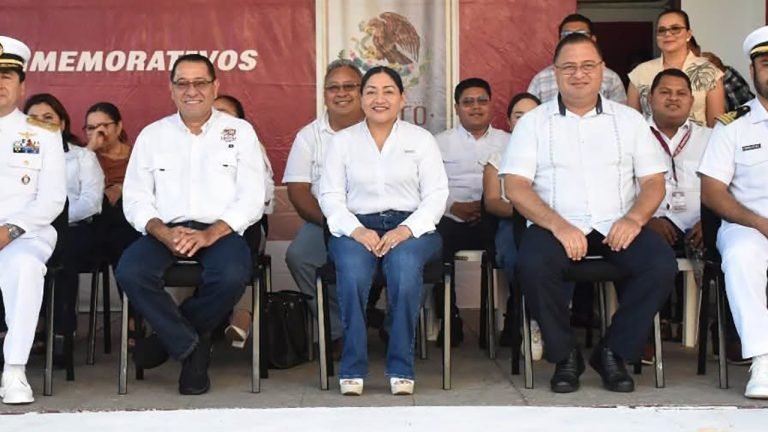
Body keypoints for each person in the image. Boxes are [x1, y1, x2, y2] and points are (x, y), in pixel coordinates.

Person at [501, 33, 676, 394]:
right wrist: (558, 224)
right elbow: (516, 185)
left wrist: (634, 219)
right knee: (531, 264)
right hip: (555, 227)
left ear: (602, 70)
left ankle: (613, 352)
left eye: (587, 66)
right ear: (555, 72)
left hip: (617, 225)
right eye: (569, 67)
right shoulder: (534, 123)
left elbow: (654, 183)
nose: (578, 74)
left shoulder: (629, 121)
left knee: (660, 265)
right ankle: (565, 356)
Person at [115, 54, 267, 395]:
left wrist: (210, 233)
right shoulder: (153, 135)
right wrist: (162, 231)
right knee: (130, 271)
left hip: (220, 230)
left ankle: (170, 339)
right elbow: (136, 197)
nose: (191, 91)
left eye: (200, 82)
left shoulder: (241, 133)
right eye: (182, 83)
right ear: (171, 90)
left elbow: (252, 197)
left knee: (232, 276)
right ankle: (189, 344)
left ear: (215, 87)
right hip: (164, 229)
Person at [319, 66, 448, 396]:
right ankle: (353, 365)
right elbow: (331, 196)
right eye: (371, 91)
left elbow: (436, 196)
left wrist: (406, 229)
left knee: (404, 269)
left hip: (411, 227)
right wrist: (356, 230)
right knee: (351, 274)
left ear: (402, 99)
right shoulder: (342, 142)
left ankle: (401, 365)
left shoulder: (420, 140)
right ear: (361, 99)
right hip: (356, 227)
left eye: (388, 91)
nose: (380, 98)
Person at [698, 25, 768, 399]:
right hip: (749, 225)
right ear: (753, 70)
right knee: (742, 255)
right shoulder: (733, 125)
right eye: (766, 62)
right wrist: (759, 222)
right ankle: (764, 360)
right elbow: (711, 191)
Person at [0, 35, 66, 404]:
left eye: (7, 75)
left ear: (22, 85)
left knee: (24, 268)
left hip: (23, 235)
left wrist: (8, 231)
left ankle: (14, 371)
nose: (0, 83)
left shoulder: (41, 133)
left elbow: (53, 198)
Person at [283, 59, 365, 355]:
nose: (341, 93)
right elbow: (298, 190)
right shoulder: (309, 136)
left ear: (362, 91)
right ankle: (338, 330)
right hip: (326, 221)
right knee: (300, 257)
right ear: (324, 94)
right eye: (333, 88)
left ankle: (394, 326)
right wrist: (334, 223)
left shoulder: (382, 127)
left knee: (415, 257)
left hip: (381, 221)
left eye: (349, 86)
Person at [23, 94, 104, 340]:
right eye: (33, 119)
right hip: (25, 228)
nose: (41, 123)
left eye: (48, 118)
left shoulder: (82, 157)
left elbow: (91, 202)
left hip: (72, 228)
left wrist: (53, 218)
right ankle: (14, 329)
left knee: (62, 254)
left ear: (62, 123)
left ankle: (59, 333)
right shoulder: (16, 157)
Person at [434, 77, 509, 346]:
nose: (475, 107)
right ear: (456, 108)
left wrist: (488, 205)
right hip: (451, 218)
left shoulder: (509, 141)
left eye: (481, 101)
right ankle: (449, 319)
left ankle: (509, 322)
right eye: (467, 102)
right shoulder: (438, 143)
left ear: (491, 105)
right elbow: (427, 187)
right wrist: (453, 206)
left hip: (493, 219)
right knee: (434, 247)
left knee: (514, 247)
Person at [213, 94, 275, 348]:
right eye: (214, 112)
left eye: (226, 113)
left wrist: (231, 216)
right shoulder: (187, 145)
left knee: (244, 236)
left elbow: (266, 196)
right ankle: (181, 317)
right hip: (200, 226)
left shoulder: (250, 146)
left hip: (243, 225)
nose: (220, 119)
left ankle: (243, 313)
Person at [485, 92, 543, 356]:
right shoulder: (498, 158)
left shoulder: (555, 156)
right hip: (512, 221)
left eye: (532, 115)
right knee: (512, 256)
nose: (525, 121)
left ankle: (543, 318)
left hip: (548, 225)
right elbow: (493, 202)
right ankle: (522, 313)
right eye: (519, 115)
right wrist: (525, 210)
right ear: (509, 122)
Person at [627, 9, 725, 127]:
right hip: (650, 143)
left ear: (688, 34)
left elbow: (716, 126)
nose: (668, 34)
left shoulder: (709, 71)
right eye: (662, 30)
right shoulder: (640, 73)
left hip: (698, 143)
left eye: (675, 29)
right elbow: (631, 124)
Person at [83, 102, 140, 270]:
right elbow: (73, 186)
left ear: (119, 126)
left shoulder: (137, 154)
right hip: (95, 222)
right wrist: (90, 149)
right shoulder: (83, 157)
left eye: (104, 126)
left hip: (131, 219)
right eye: (91, 128)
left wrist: (121, 188)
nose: (98, 133)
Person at [527, 14, 626, 104]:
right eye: (567, 35)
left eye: (582, 34)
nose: (578, 75)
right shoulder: (540, 80)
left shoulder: (611, 78)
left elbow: (621, 116)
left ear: (593, 39)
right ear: (559, 41)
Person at [689, 37, 754, 112]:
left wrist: (721, 70)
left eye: (687, 51)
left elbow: (748, 108)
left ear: (698, 50)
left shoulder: (715, 71)